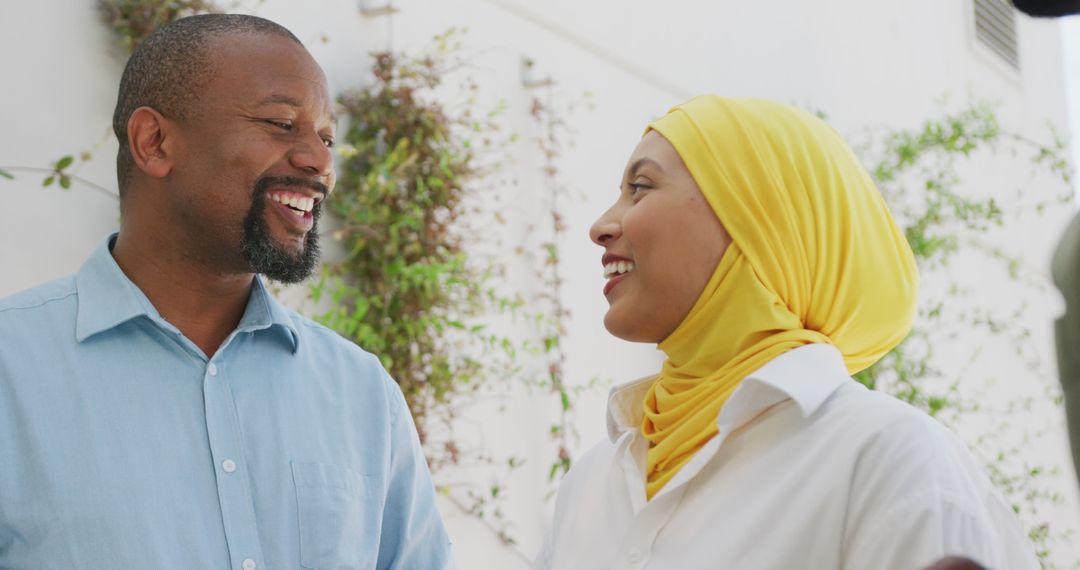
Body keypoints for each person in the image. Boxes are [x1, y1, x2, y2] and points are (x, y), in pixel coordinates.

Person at [0, 14, 453, 569]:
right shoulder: (11, 369)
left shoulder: (362, 396)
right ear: (156, 142)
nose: (320, 161)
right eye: (281, 123)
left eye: (327, 136)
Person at [534, 96, 1037, 569]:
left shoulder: (888, 459)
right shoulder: (591, 484)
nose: (601, 225)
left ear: (757, 220)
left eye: (639, 187)